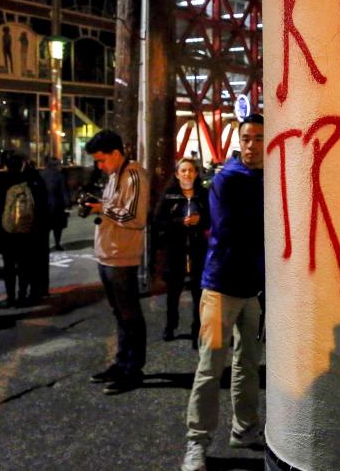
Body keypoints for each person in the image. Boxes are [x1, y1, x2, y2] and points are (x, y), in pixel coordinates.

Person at [182, 114, 265, 471]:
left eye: (259, 138)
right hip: (219, 286)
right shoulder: (227, 179)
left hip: (252, 289)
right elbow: (230, 229)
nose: (251, 145)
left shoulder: (268, 177)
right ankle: (196, 442)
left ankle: (243, 428)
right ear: (240, 140)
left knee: (248, 363)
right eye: (246, 138)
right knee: (211, 364)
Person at [84, 129, 149, 396]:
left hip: (122, 257)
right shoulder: (113, 176)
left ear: (116, 153)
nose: (99, 166)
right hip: (108, 255)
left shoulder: (134, 174)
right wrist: (99, 206)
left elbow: (136, 217)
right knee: (120, 314)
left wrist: (102, 208)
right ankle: (122, 364)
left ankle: (133, 369)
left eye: (101, 160)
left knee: (130, 315)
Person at [154, 157, 209, 347]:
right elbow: (158, 221)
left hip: (197, 250)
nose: (187, 174)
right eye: (183, 171)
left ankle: (197, 329)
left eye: (191, 170)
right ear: (177, 174)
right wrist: (178, 222)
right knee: (173, 292)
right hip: (175, 250)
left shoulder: (203, 195)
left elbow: (212, 219)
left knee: (198, 293)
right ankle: (170, 325)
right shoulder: (169, 195)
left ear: (196, 174)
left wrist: (200, 221)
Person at [0, 151, 49, 308]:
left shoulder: (3, 180)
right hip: (28, 230)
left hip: (6, 229)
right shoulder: (32, 179)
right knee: (25, 264)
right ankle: (23, 296)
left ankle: (10, 297)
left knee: (9, 265)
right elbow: (42, 203)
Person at [40, 156, 70, 251]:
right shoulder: (60, 176)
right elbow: (64, 191)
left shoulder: (41, 174)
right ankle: (57, 244)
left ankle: (45, 245)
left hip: (44, 205)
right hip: (57, 205)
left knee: (45, 228)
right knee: (58, 227)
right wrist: (67, 204)